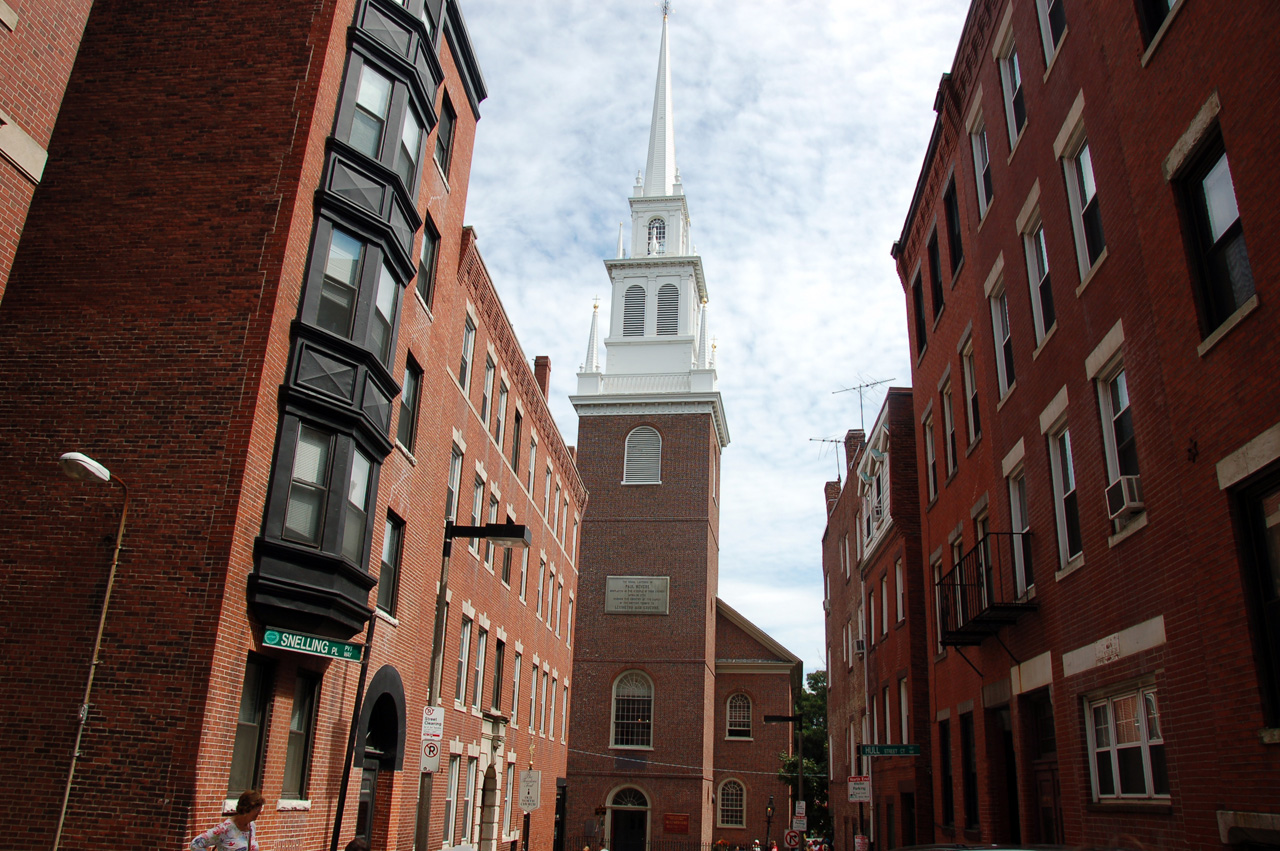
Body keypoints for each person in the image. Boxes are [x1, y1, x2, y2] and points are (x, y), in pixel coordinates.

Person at [190, 790, 264, 850]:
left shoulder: (251, 826)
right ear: (247, 808)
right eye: (257, 809)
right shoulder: (225, 829)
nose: (259, 813)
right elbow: (195, 844)